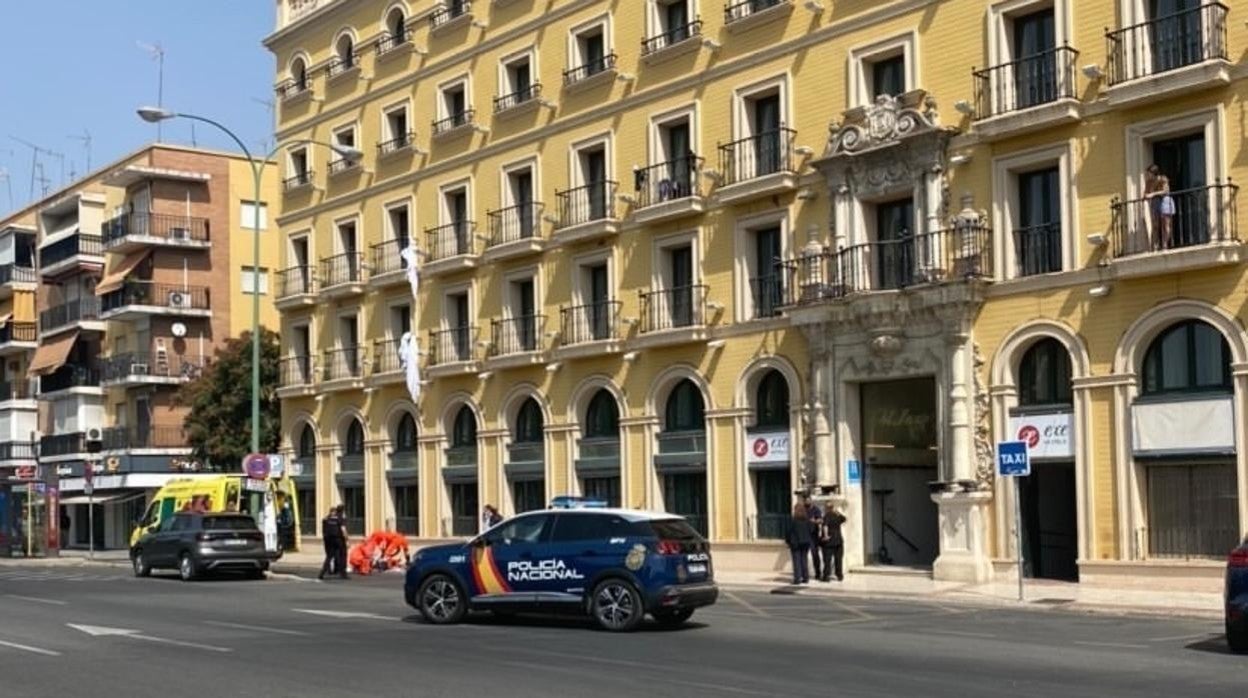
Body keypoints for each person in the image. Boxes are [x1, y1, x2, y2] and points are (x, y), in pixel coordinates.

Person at [1145, 164, 1175, 251]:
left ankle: (1165, 245)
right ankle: (1155, 246)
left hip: (1165, 201)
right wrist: (1146, 196)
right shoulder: (1149, 182)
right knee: (1155, 225)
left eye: (1149, 173)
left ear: (1154, 173)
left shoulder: (1163, 179)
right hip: (1155, 203)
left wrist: (1153, 194)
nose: (1147, 175)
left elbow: (1166, 191)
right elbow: (1146, 192)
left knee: (1165, 224)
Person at [784, 502, 812, 585]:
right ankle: (806, 577)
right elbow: (811, 530)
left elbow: (789, 532)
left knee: (796, 561)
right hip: (806, 542)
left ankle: (797, 578)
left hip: (795, 543)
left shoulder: (793, 521)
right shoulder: (807, 520)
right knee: (804, 560)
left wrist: (788, 541)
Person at [818, 507, 847, 582]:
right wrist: (838, 513)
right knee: (838, 559)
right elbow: (844, 519)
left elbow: (825, 526)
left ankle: (826, 576)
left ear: (826, 509)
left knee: (827, 560)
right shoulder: (837, 516)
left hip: (830, 542)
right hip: (839, 541)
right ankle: (839, 575)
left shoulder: (827, 516)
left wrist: (826, 535)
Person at [803, 495, 824, 582]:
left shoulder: (816, 509)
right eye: (805, 501)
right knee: (803, 556)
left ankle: (818, 573)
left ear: (811, 500)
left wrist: (814, 521)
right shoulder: (803, 509)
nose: (807, 502)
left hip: (813, 536)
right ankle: (804, 575)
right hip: (804, 535)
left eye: (808, 500)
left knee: (815, 555)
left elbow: (821, 520)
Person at [318, 507, 342, 580]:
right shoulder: (338, 519)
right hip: (335, 540)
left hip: (327, 540)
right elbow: (341, 529)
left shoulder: (326, 519)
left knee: (329, 556)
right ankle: (337, 570)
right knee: (336, 555)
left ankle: (327, 571)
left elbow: (323, 529)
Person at [333, 505, 349, 579]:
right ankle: (343, 572)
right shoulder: (341, 518)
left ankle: (336, 569)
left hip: (332, 539)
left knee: (336, 554)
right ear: (343, 511)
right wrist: (347, 539)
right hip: (340, 539)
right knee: (343, 555)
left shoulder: (333, 518)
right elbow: (343, 529)